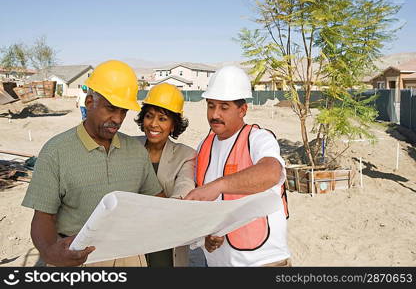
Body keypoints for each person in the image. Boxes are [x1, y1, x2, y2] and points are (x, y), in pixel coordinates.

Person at [21, 60, 163, 267]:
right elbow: (43, 217)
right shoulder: (56, 151)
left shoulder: (135, 151)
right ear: (89, 102)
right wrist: (50, 253)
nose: (117, 118)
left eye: (123, 111)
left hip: (129, 254)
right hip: (76, 257)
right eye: (111, 109)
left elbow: (156, 199)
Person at [184, 65, 291, 267]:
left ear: (242, 110)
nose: (215, 114)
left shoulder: (258, 139)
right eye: (211, 105)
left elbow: (271, 172)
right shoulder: (205, 146)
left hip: (262, 263)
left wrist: (218, 185)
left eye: (224, 107)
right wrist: (208, 234)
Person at [134, 83, 196, 267]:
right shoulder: (128, 147)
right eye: (149, 116)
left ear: (173, 125)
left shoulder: (186, 155)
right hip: (130, 235)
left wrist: (175, 204)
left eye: (162, 118)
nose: (153, 124)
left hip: (164, 239)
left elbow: (185, 188)